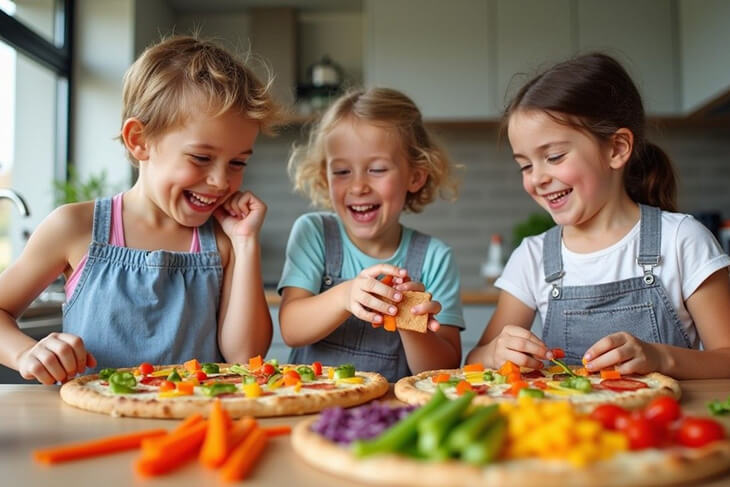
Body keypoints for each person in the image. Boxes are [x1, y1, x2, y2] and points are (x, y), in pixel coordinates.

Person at [0, 35, 280, 384]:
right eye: (201, 158)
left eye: (238, 162)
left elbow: (245, 356)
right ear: (139, 140)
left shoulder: (224, 240)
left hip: (191, 427)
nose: (221, 181)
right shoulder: (74, 227)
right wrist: (26, 352)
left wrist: (246, 243)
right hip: (91, 426)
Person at [466, 53, 730, 379]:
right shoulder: (532, 257)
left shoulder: (682, 240)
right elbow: (473, 361)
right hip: (570, 429)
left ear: (617, 149)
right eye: (525, 165)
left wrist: (660, 357)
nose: (537, 178)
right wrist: (496, 353)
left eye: (554, 156)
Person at [278, 88, 465, 381]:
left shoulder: (434, 257)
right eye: (341, 172)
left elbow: (445, 370)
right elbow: (291, 328)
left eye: (376, 169)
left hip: (390, 414)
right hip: (314, 405)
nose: (358, 187)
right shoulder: (314, 233)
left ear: (415, 176)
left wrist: (408, 318)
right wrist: (345, 295)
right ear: (323, 176)